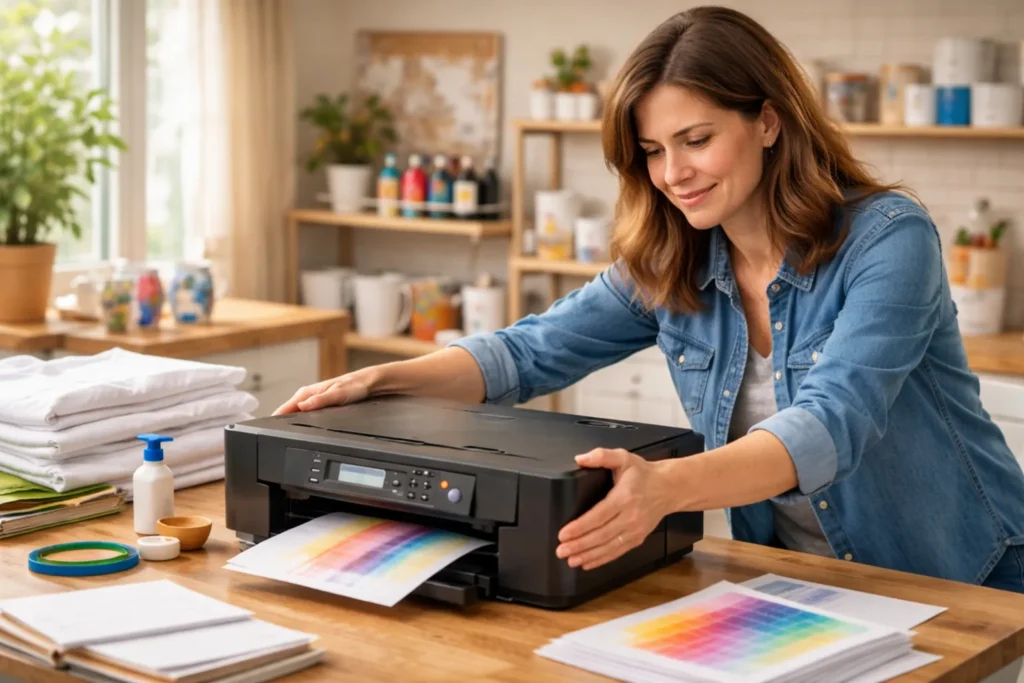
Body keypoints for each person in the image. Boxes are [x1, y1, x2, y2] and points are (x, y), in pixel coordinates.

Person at [276, 6, 1024, 594]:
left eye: (696, 139)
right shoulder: (674, 259)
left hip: (967, 578)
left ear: (767, 121)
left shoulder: (889, 240)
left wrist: (664, 488)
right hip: (810, 587)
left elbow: (833, 421)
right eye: (654, 151)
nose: (674, 173)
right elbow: (529, 351)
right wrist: (383, 378)